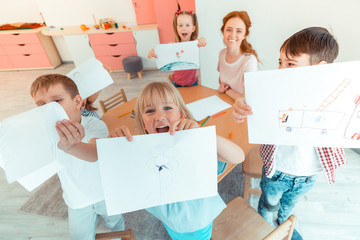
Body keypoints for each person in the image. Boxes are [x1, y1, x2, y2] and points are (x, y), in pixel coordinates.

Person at [232, 27, 347, 239]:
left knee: (287, 209)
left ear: (319, 69)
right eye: (280, 62)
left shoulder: (335, 98)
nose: (281, 69)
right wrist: (241, 107)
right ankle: (271, 232)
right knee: (268, 207)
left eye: (290, 64)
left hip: (308, 176)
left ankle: (285, 227)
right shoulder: (274, 91)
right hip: (277, 170)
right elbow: (251, 110)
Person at [111, 81, 245, 240]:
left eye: (167, 108)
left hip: (198, 220)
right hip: (169, 218)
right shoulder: (142, 153)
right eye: (150, 111)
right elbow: (119, 177)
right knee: (175, 232)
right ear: (143, 123)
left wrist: (201, 135)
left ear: (181, 115)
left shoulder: (194, 144)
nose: (159, 116)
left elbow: (237, 156)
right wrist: (114, 148)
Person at [30, 74, 125, 240]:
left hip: (105, 194)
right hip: (76, 200)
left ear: (77, 102)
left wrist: (72, 146)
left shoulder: (94, 125)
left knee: (116, 226)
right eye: (42, 106)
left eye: (56, 101)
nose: (49, 109)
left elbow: (95, 153)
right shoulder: (46, 133)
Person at [148, 10, 207, 87]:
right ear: (176, 28)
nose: (184, 28)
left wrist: (202, 40)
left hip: (192, 83)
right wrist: (153, 52)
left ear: (193, 28)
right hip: (176, 82)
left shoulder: (195, 43)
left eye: (187, 25)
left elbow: (202, 41)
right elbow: (161, 54)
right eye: (180, 25)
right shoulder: (172, 45)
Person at [217, 11, 259, 100]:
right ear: (223, 32)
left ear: (245, 35)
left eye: (239, 31)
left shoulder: (249, 60)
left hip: (241, 109)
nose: (232, 35)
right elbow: (221, 78)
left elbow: (246, 99)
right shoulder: (222, 54)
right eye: (229, 30)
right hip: (225, 101)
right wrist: (222, 86)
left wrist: (227, 91)